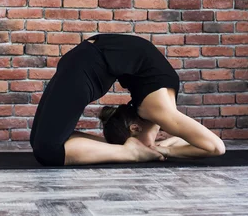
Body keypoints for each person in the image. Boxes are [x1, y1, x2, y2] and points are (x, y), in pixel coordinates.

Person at [29, 34, 225, 166]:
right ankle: (131, 153)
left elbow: (186, 141)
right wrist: (157, 151)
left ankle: (127, 150)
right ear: (134, 128)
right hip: (89, 63)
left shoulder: (158, 110)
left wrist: (163, 149)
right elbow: (216, 147)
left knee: (40, 141)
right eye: (144, 145)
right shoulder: (158, 111)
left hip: (88, 57)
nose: (151, 144)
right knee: (48, 150)